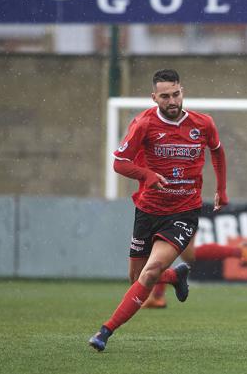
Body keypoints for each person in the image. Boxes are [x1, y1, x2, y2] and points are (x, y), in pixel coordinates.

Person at [88, 69, 228, 352]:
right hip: (148, 210)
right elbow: (119, 163)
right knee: (137, 277)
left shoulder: (203, 123)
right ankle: (175, 276)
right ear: (154, 98)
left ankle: (105, 331)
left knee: (150, 271)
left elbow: (218, 151)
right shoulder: (143, 124)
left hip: (184, 210)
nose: (172, 100)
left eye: (176, 94)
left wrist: (221, 189)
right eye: (165, 96)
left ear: (182, 91)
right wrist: (147, 175)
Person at [140, 239, 247, 309]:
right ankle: (157, 296)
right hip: (181, 204)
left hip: (175, 205)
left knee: (164, 249)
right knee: (187, 254)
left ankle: (157, 295)